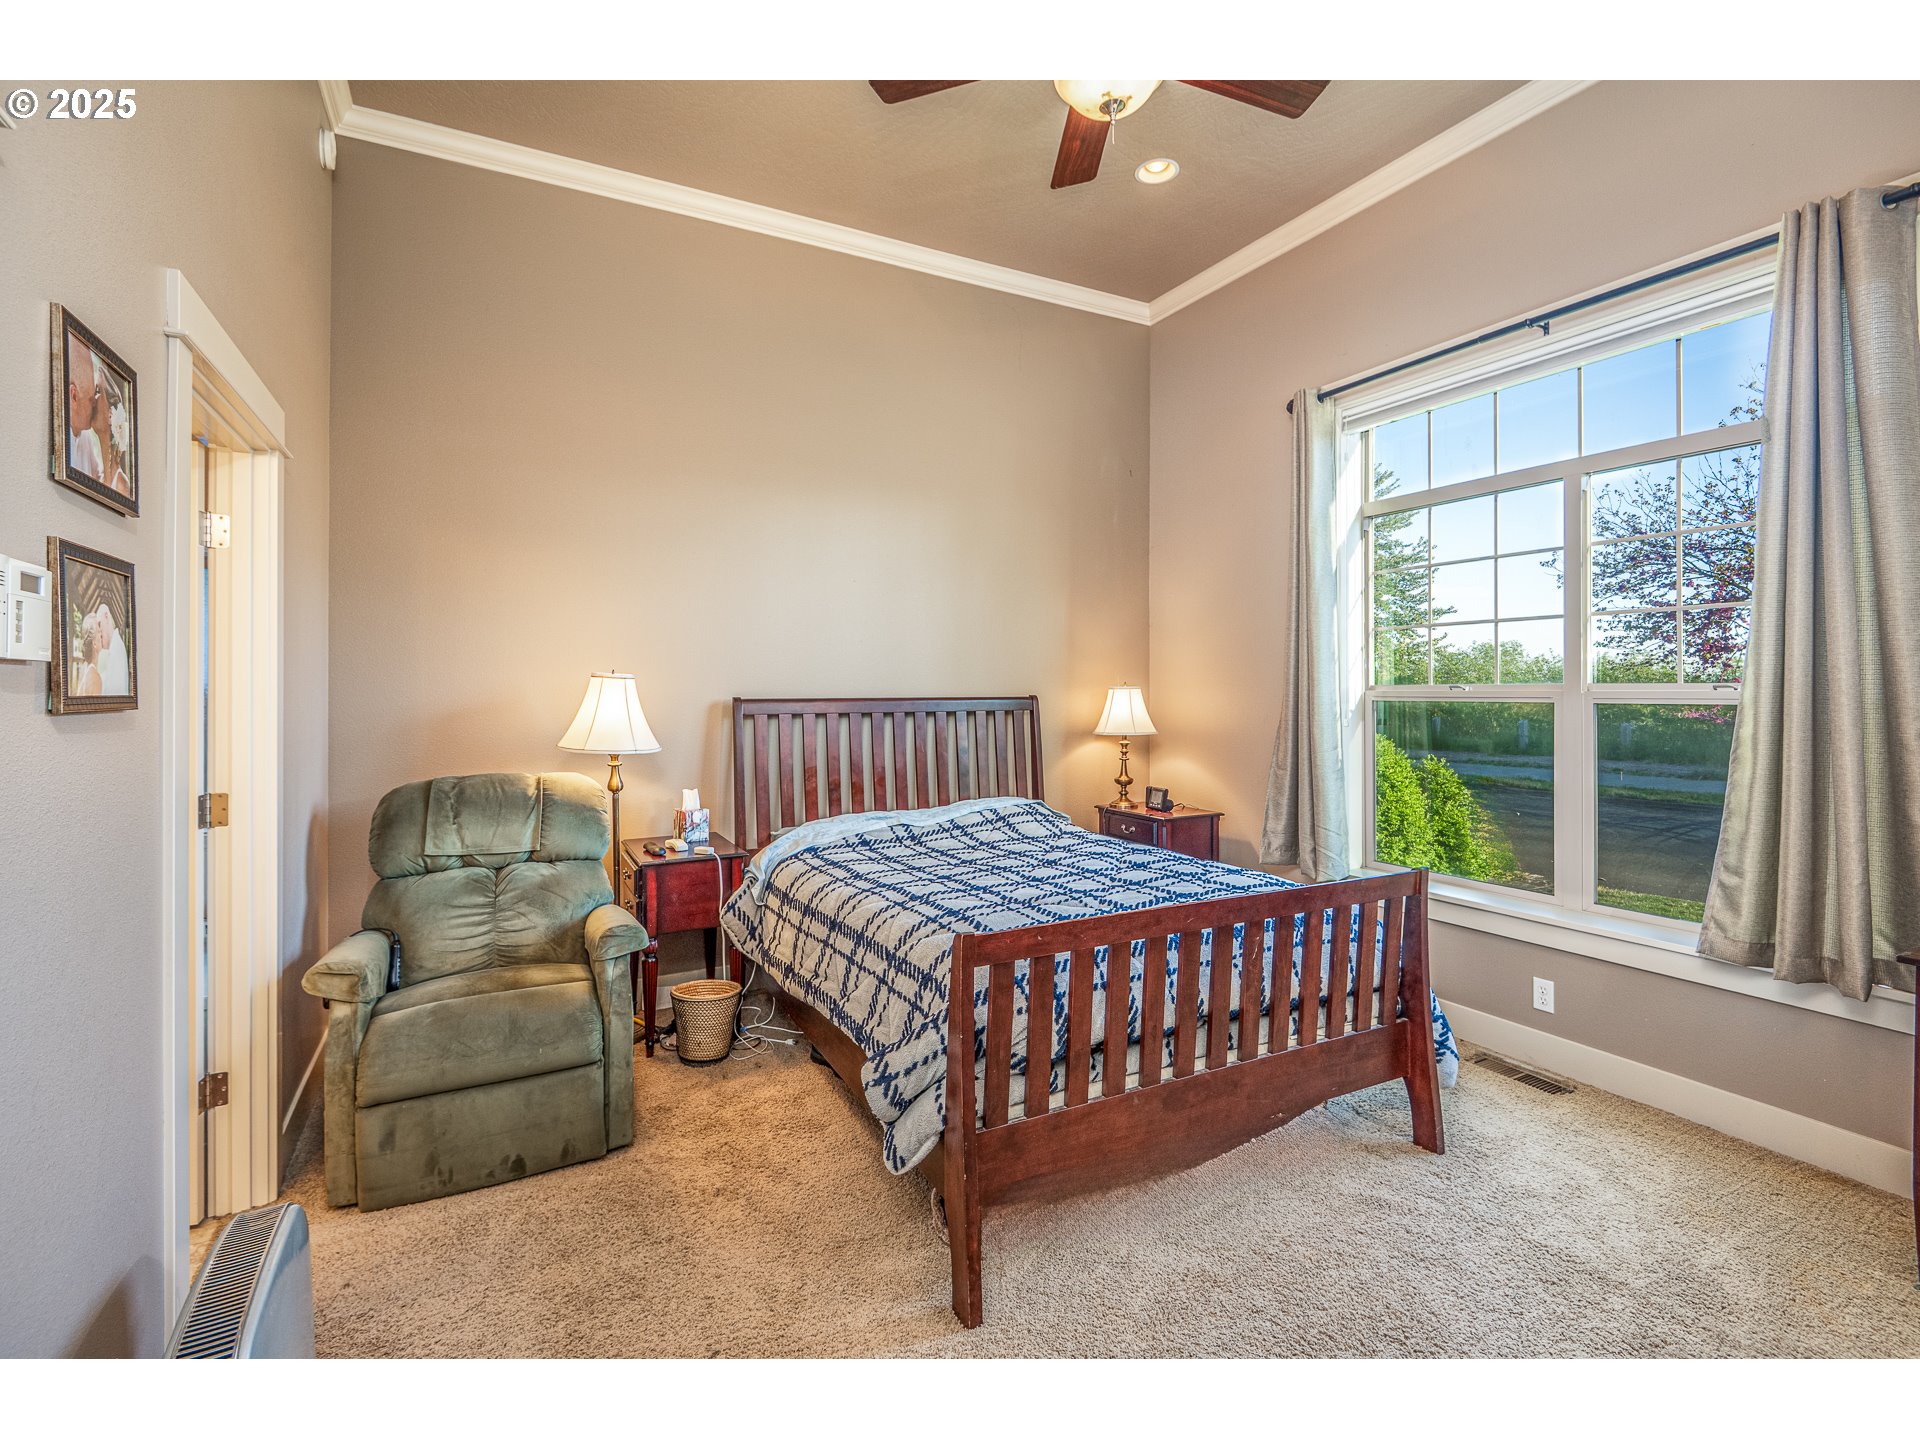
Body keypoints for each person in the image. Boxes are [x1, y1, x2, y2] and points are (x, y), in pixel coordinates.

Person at [66, 337, 106, 483]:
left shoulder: (85, 436)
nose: (95, 402)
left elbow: (98, 481)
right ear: (73, 396)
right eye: (90, 398)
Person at [88, 604, 129, 696]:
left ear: (106, 616)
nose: (98, 631)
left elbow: (115, 692)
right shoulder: (115, 647)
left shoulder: (117, 649)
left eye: (99, 624)